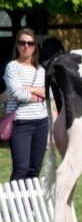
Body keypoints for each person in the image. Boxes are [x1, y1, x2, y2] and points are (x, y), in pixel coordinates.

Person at [3, 28, 48, 182]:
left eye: (30, 43)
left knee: (34, 170)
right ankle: (16, 206)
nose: (26, 46)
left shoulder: (41, 70)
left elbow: (50, 94)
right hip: (21, 122)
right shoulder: (12, 67)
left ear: (35, 46)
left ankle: (30, 206)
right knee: (21, 169)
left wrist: (31, 89)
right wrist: (39, 96)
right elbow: (18, 94)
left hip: (42, 122)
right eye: (22, 43)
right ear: (17, 45)